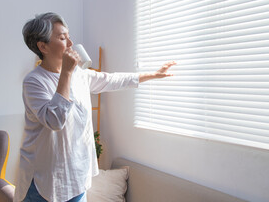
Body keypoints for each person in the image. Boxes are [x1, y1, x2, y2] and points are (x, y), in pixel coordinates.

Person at [14, 12, 176, 202]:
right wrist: (66, 72)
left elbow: (113, 79)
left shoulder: (80, 75)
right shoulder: (34, 81)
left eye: (69, 36)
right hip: (44, 182)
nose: (70, 43)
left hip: (76, 177)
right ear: (43, 47)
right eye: (62, 37)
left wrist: (153, 75)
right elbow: (55, 120)